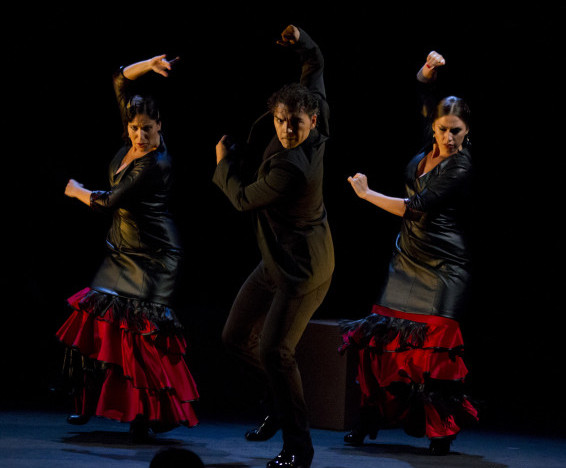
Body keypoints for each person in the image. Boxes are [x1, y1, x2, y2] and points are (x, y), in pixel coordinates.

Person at [340, 51, 478, 456]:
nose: (448, 138)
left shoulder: (461, 165)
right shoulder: (429, 144)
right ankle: (369, 420)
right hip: (407, 258)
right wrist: (427, 71)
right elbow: (423, 93)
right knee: (382, 342)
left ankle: (441, 429)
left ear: (467, 130)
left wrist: (366, 195)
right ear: (433, 127)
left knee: (434, 351)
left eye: (456, 130)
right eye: (442, 129)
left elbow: (415, 207)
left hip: (444, 265)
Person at [56, 55, 199, 441]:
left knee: (141, 336)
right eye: (135, 129)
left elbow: (108, 201)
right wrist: (147, 65)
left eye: (148, 129)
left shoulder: (155, 165)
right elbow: (119, 81)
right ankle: (85, 402)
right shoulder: (134, 133)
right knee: (95, 320)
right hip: (121, 250)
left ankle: (149, 415)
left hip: (155, 257)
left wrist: (76, 191)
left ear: (160, 128)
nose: (140, 136)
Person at [212, 25, 334, 468]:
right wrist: (300, 39)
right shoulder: (313, 107)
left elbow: (244, 198)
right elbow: (315, 63)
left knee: (275, 350)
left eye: (294, 123)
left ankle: (299, 448)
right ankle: (280, 401)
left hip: (303, 269)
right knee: (234, 337)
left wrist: (223, 164)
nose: (285, 129)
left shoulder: (293, 170)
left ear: (313, 121)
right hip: (275, 259)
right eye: (281, 120)